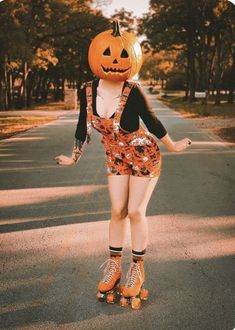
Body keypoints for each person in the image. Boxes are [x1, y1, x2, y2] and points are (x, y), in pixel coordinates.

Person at [55, 21, 192, 309]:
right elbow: (83, 127)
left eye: (122, 57)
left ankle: (137, 268)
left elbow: (153, 122)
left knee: (134, 211)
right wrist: (73, 158)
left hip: (144, 156)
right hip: (115, 158)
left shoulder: (133, 91)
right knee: (117, 211)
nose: (115, 62)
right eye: (108, 55)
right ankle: (114, 265)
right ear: (96, 56)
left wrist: (173, 145)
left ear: (132, 58)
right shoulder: (87, 90)